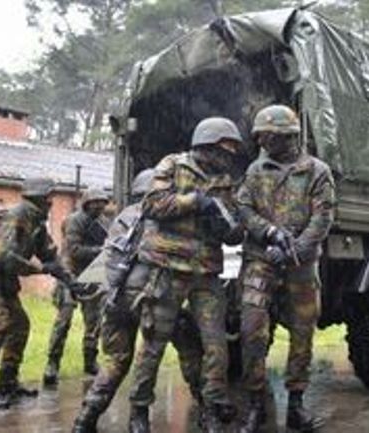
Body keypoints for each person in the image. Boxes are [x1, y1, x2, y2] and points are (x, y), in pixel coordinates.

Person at [128, 117, 245, 433]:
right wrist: (196, 201)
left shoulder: (225, 179)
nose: (230, 155)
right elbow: (152, 204)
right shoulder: (173, 164)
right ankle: (139, 410)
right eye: (226, 148)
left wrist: (230, 228)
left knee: (216, 345)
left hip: (206, 272)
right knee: (154, 341)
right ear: (206, 144)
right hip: (169, 268)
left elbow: (233, 223)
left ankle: (211, 405)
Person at [72, 169, 208, 433]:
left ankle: (85, 418)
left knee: (115, 360)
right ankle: (145, 417)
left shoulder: (122, 216)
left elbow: (106, 259)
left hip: (113, 298)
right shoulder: (168, 217)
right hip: (151, 295)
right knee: (179, 349)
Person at [237, 104, 335, 433]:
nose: (262, 141)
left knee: (303, 332)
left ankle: (296, 403)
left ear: (287, 136)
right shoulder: (255, 170)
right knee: (251, 329)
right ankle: (255, 405)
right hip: (260, 260)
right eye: (260, 136)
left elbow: (323, 217)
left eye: (267, 136)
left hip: (300, 264)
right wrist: (268, 233)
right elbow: (244, 207)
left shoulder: (316, 171)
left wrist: (296, 249)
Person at [0, 177, 70, 408]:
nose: (51, 202)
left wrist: (70, 278)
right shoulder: (16, 215)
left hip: (1, 280)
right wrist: (37, 269)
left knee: (20, 325)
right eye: (48, 197)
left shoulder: (36, 221)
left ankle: (7, 383)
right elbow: (3, 258)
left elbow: (49, 255)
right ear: (38, 198)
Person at [43, 188, 110, 385]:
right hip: (69, 273)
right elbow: (74, 250)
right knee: (63, 321)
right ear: (86, 203)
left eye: (102, 202)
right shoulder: (75, 220)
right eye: (95, 202)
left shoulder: (104, 223)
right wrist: (102, 250)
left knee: (94, 322)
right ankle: (52, 363)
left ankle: (90, 361)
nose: (99, 206)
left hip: (93, 275)